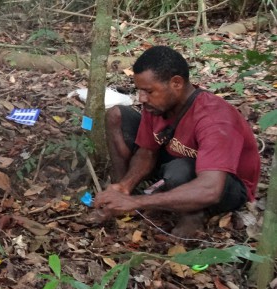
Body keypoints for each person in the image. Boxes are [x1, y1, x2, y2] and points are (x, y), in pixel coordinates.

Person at [94, 46, 260, 238]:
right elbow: (147, 152)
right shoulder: (157, 106)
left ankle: (194, 215)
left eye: (148, 91)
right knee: (116, 115)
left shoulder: (215, 119)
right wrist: (125, 186)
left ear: (176, 83)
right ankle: (121, 197)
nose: (142, 98)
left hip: (225, 184)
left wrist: (138, 202)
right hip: (176, 160)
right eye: (139, 90)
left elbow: (211, 189)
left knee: (179, 171)